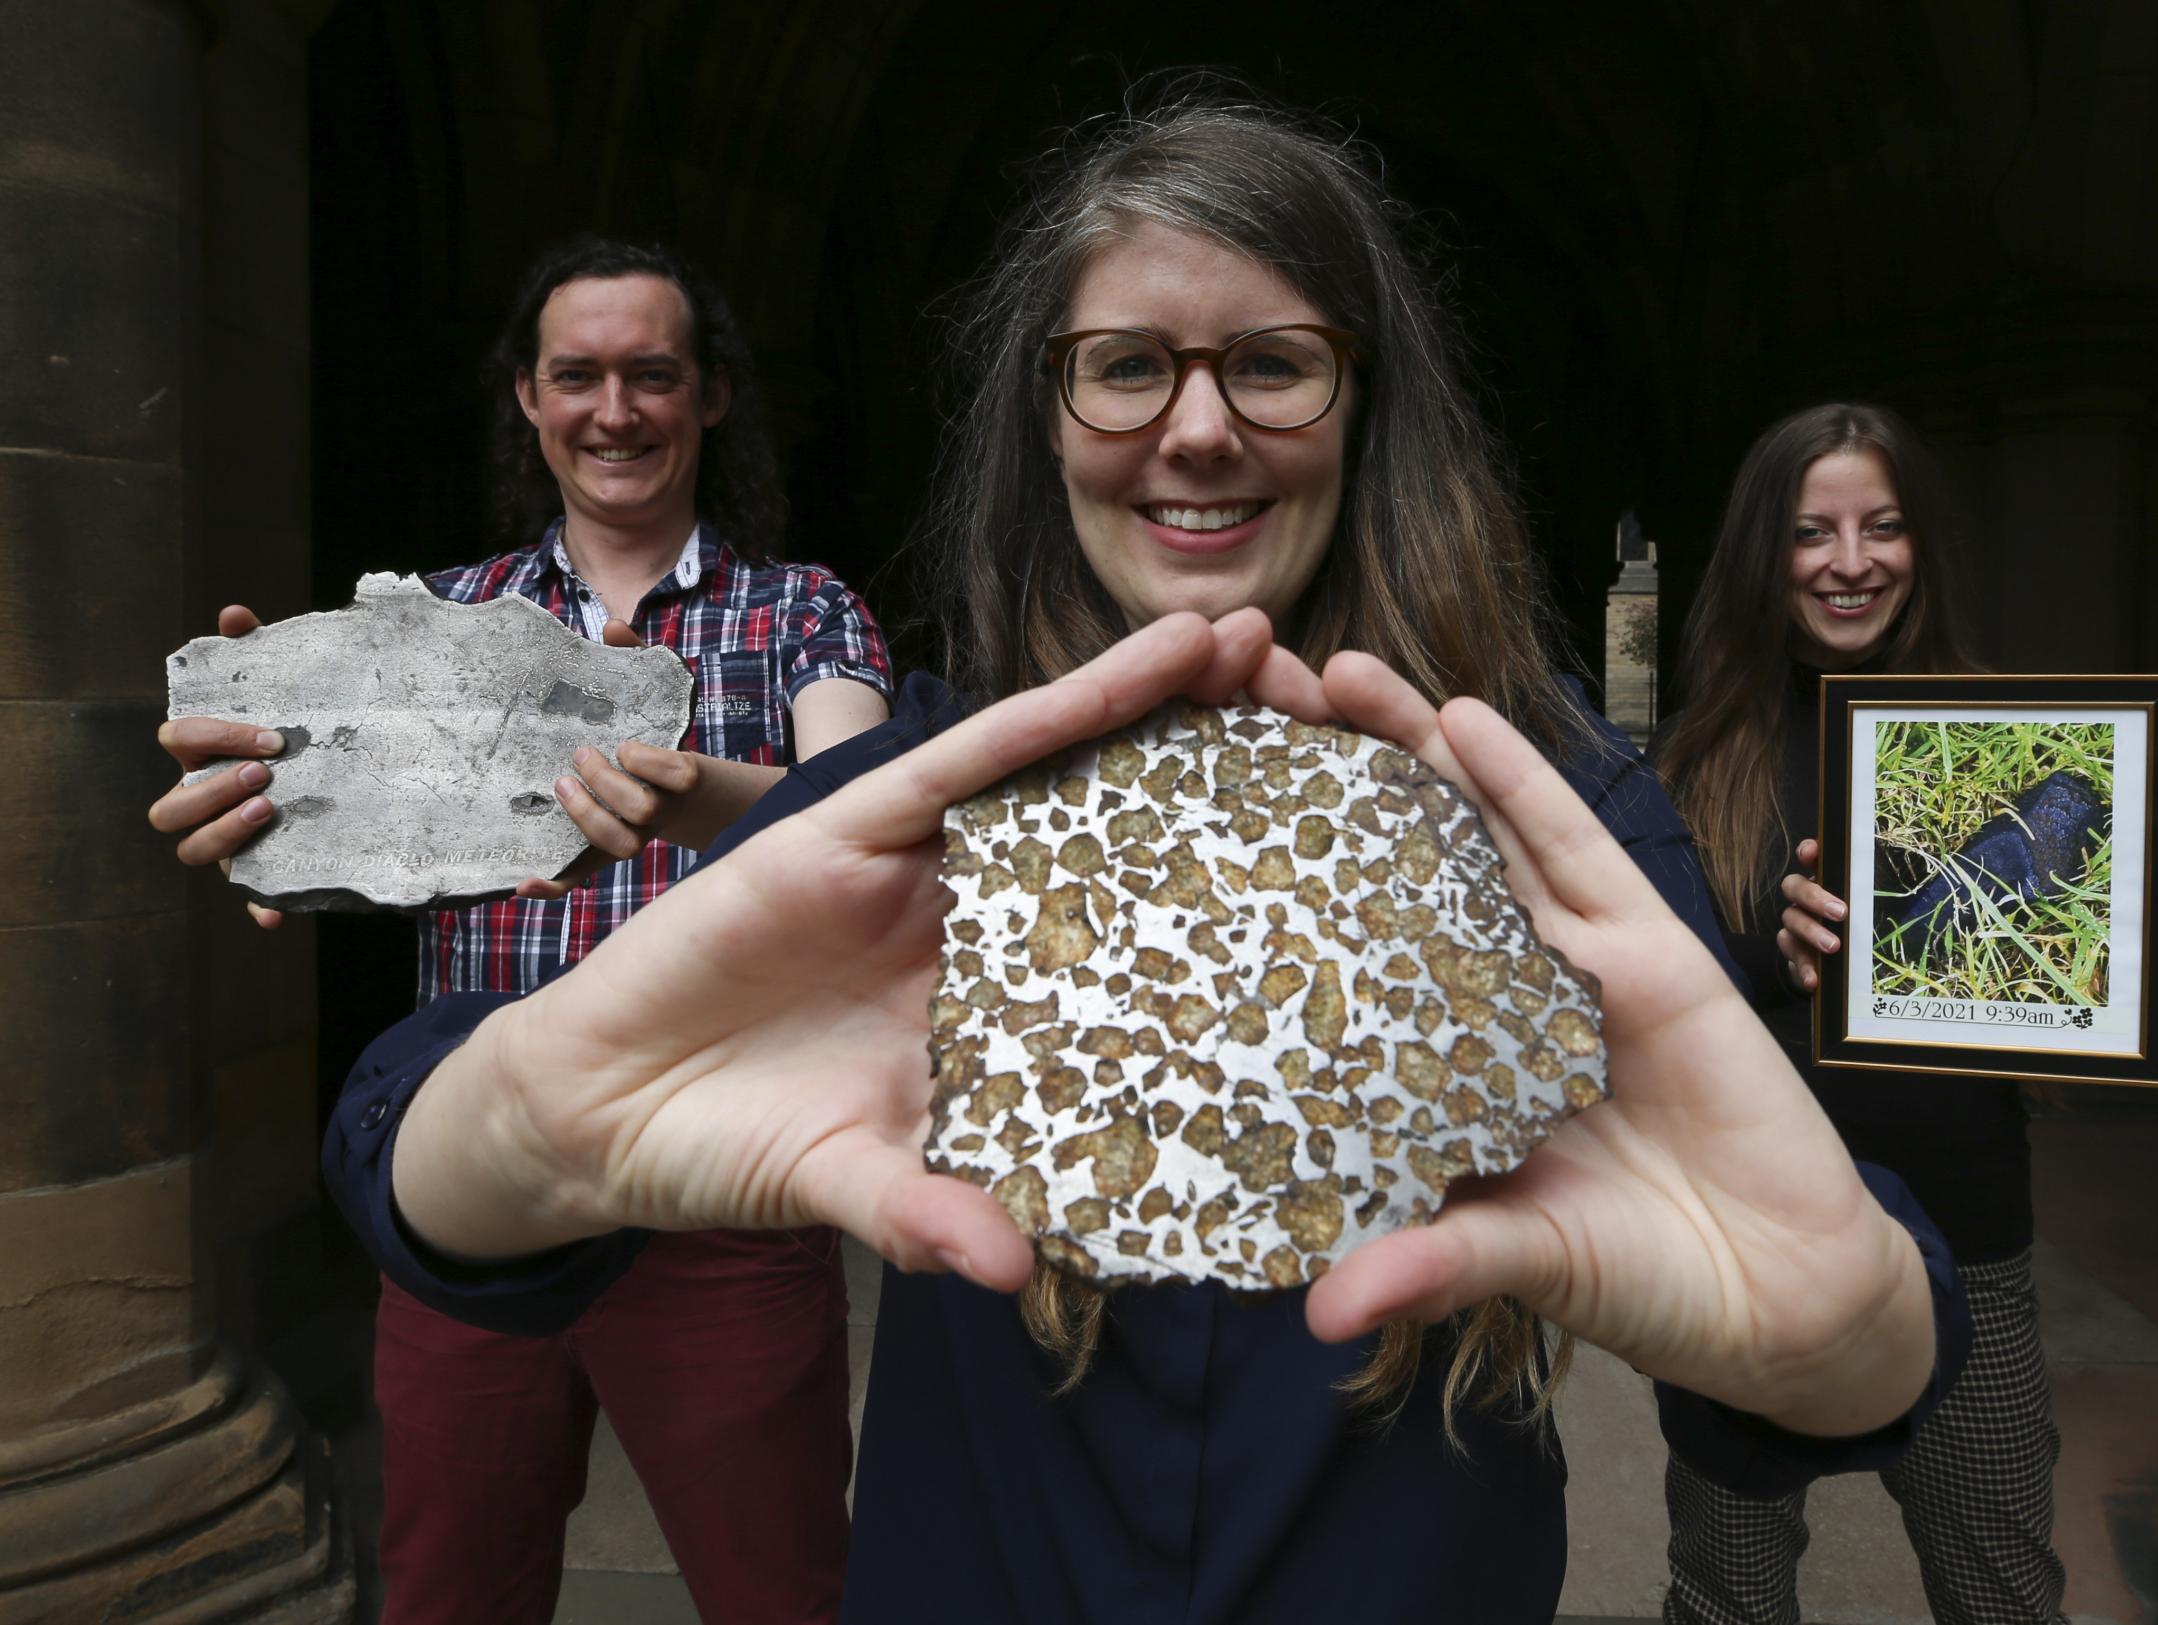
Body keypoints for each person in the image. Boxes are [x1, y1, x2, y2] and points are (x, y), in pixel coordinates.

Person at [317, 102, 1968, 1625]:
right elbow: (410, 1122)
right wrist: (517, 1129)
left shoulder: (1556, 813)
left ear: (1363, 403)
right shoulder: (926, 803)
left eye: (1271, 363)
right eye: (1126, 367)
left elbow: (1804, 1279)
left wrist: (1850, 1336)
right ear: (1050, 413)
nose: (1196, 429)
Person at [149, 238, 889, 1624]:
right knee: (451, 1592)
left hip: (715, 1180)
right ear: (530, 402)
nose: (616, 409)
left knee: (780, 1588)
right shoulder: (442, 628)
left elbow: (856, 824)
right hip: (475, 1183)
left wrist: (682, 799)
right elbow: (314, 833)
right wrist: (282, 822)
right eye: (579, 376)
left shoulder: (803, 613)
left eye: (652, 375)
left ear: (711, 397)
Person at [1650, 402, 2158, 1625]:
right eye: (1813, 531)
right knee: (1728, 1592)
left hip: (1966, 1227)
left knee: (2001, 1588)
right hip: (1750, 1243)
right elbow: (1638, 1010)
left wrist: (2115, 985)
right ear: (1766, 551)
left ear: (1921, 546)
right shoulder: (1695, 762)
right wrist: (1773, 961)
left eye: (1882, 525)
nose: (1851, 560)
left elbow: (2027, 1010)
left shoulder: (2017, 736)